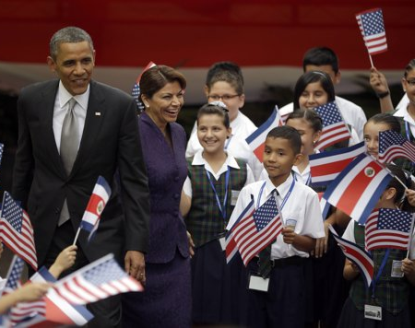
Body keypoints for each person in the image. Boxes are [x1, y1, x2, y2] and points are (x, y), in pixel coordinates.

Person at [11, 26, 150, 327]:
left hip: (102, 236)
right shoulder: (31, 100)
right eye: (70, 63)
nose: (79, 70)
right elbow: (24, 167)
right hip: (45, 235)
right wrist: (10, 225)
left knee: (103, 320)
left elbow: (134, 181)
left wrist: (136, 244)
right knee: (50, 318)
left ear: (95, 59)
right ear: (52, 64)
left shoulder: (118, 105)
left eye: (86, 61)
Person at [227, 126, 324, 328]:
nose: (271, 158)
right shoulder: (250, 192)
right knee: (251, 321)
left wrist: (295, 239)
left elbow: (312, 244)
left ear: (296, 159)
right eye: (268, 151)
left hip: (288, 272)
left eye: (281, 153)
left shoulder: (307, 195)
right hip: (254, 268)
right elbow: (235, 234)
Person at [122, 65, 191, 328]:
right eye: (167, 97)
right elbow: (124, 194)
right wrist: (134, 245)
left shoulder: (179, 132)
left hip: (176, 252)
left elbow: (173, 187)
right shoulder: (131, 133)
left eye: (179, 95)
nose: (176, 103)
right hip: (142, 252)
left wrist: (179, 227)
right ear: (145, 99)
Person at [181, 102, 255, 326]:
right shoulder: (187, 167)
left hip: (235, 252)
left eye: (216, 129)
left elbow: (252, 212)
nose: (209, 135)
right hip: (199, 252)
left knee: (233, 314)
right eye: (203, 129)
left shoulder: (243, 168)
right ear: (196, 132)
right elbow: (181, 211)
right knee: (200, 314)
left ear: (228, 131)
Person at [337, 165, 415, 328]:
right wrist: (355, 268)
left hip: (393, 313)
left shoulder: (410, 227)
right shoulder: (357, 222)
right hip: (358, 307)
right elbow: (346, 273)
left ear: (389, 193)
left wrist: (411, 272)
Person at [185, 62, 262, 179]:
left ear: (241, 100)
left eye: (227, 97)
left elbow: (260, 179)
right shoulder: (200, 123)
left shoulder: (255, 135)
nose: (220, 102)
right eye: (215, 97)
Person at [280, 46, 367, 140]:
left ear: (337, 76)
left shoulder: (354, 112)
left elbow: (364, 150)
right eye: (312, 75)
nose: (318, 80)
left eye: (324, 76)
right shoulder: (283, 115)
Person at [293, 70, 360, 148]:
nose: (311, 100)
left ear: (329, 97)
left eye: (318, 95)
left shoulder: (346, 133)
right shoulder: (284, 129)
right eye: (305, 94)